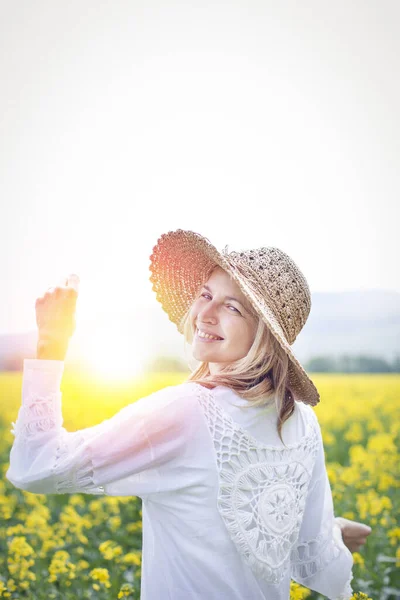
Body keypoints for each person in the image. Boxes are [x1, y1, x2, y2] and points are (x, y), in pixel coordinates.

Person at [6, 229, 371, 600]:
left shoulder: (187, 412)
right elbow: (299, 543)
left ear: (264, 335)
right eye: (206, 295)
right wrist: (336, 532)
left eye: (232, 307)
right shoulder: (301, 420)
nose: (205, 314)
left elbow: (36, 465)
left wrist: (50, 343)